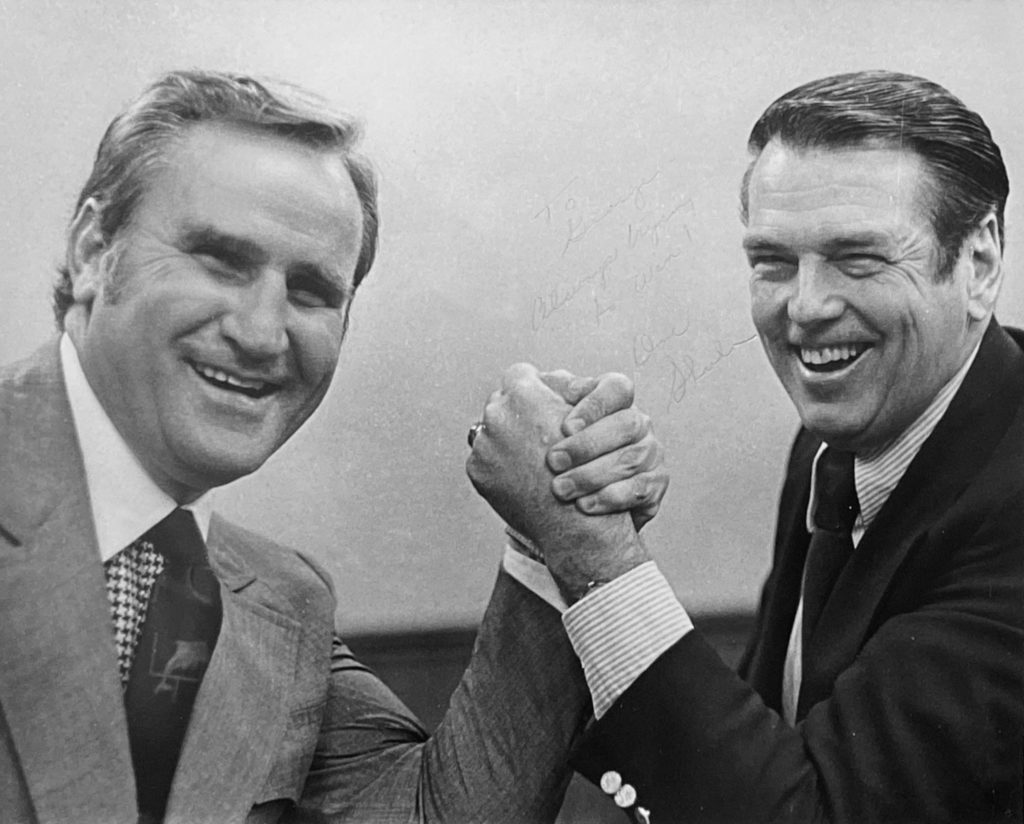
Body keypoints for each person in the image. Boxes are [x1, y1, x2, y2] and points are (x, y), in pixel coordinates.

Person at [0, 70, 669, 823]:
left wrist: (551, 529)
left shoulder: (282, 605)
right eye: (221, 262)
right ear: (94, 250)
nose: (260, 332)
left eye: (313, 291)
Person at [468, 70, 1024, 823]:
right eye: (772, 262)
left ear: (980, 264)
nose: (806, 307)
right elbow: (771, 738)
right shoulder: (841, 441)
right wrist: (567, 513)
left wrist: (591, 551)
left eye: (859, 259)